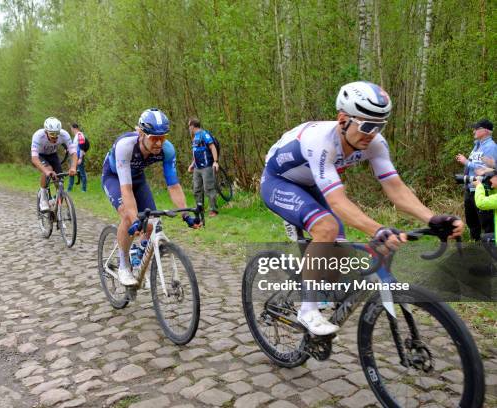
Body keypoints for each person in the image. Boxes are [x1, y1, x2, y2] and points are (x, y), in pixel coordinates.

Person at [260, 81, 463, 335]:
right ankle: (307, 309)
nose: (372, 133)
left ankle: (320, 293)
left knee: (339, 252)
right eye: (367, 125)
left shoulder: (375, 143)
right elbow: (337, 201)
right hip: (279, 182)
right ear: (343, 119)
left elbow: (396, 188)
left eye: (380, 126)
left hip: (312, 184)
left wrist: (432, 218)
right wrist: (378, 230)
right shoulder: (321, 141)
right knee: (327, 228)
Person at [102, 108, 200, 286]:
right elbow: (126, 189)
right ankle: (123, 265)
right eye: (154, 138)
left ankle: (138, 255)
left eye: (163, 137)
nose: (159, 143)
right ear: (141, 134)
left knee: (152, 221)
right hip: (115, 178)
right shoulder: (126, 146)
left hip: (137, 178)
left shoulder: (167, 150)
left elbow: (174, 185)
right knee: (127, 214)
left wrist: (186, 215)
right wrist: (134, 220)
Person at [456, 119, 496, 240]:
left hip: (483, 190)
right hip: (470, 189)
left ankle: (489, 253)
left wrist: (466, 162)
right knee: (472, 223)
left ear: (485, 131)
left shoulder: (491, 147)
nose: (473, 131)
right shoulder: (477, 146)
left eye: (476, 128)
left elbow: (488, 169)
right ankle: (475, 249)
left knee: (486, 225)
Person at [31, 117, 78, 212]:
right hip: (41, 156)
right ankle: (43, 198)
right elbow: (34, 159)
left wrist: (73, 167)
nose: (55, 137)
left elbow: (74, 153)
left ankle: (57, 210)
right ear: (46, 131)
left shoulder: (64, 134)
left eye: (57, 134)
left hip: (53, 155)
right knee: (48, 168)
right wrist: (46, 171)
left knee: (59, 182)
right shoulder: (38, 136)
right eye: (52, 134)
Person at [187, 117, 219, 217]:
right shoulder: (195, 137)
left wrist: (215, 162)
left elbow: (212, 147)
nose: (188, 128)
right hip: (197, 168)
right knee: (197, 189)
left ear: (192, 126)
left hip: (207, 166)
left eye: (189, 126)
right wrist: (192, 164)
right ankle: (200, 209)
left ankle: (213, 210)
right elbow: (196, 152)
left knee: (209, 189)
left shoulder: (204, 134)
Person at [67, 123, 88, 193]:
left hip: (79, 157)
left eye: (71, 129)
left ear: (74, 128)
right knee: (72, 172)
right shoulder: (77, 136)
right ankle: (69, 189)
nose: (71, 131)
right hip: (75, 157)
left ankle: (84, 189)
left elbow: (82, 147)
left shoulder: (80, 135)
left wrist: (81, 158)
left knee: (82, 173)